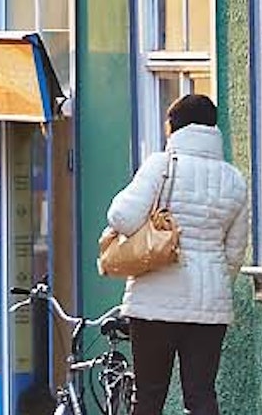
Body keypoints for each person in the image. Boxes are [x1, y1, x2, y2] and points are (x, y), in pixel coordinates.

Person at [104, 94, 248, 415]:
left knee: (150, 397)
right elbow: (235, 253)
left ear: (175, 127)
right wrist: (213, 282)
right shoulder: (234, 180)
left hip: (155, 302)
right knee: (201, 396)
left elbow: (122, 218)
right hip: (210, 307)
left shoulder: (161, 165)